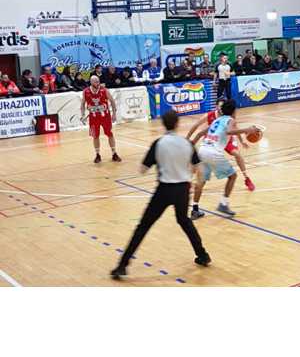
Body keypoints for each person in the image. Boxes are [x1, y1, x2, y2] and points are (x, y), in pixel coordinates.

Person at [110, 110, 211, 280]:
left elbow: (142, 170)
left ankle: (122, 266)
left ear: (163, 124)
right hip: (182, 189)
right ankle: (203, 255)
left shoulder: (159, 143)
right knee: (184, 221)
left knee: (143, 226)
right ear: (177, 124)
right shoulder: (187, 143)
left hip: (164, 190)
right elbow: (199, 169)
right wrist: (193, 181)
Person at [186, 99, 256, 219]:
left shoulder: (216, 121)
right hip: (213, 152)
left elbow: (199, 134)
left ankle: (195, 210)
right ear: (233, 111)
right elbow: (229, 131)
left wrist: (190, 144)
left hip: (203, 150)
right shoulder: (230, 120)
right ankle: (223, 204)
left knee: (201, 181)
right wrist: (246, 130)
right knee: (232, 176)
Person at [80, 75, 121, 164]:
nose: (98, 83)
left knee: (109, 134)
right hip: (93, 117)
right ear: (91, 82)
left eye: (98, 81)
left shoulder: (104, 90)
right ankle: (97, 154)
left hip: (105, 116)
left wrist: (114, 114)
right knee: (95, 136)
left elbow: (112, 101)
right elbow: (82, 104)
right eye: (95, 82)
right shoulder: (86, 91)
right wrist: (82, 114)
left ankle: (114, 153)